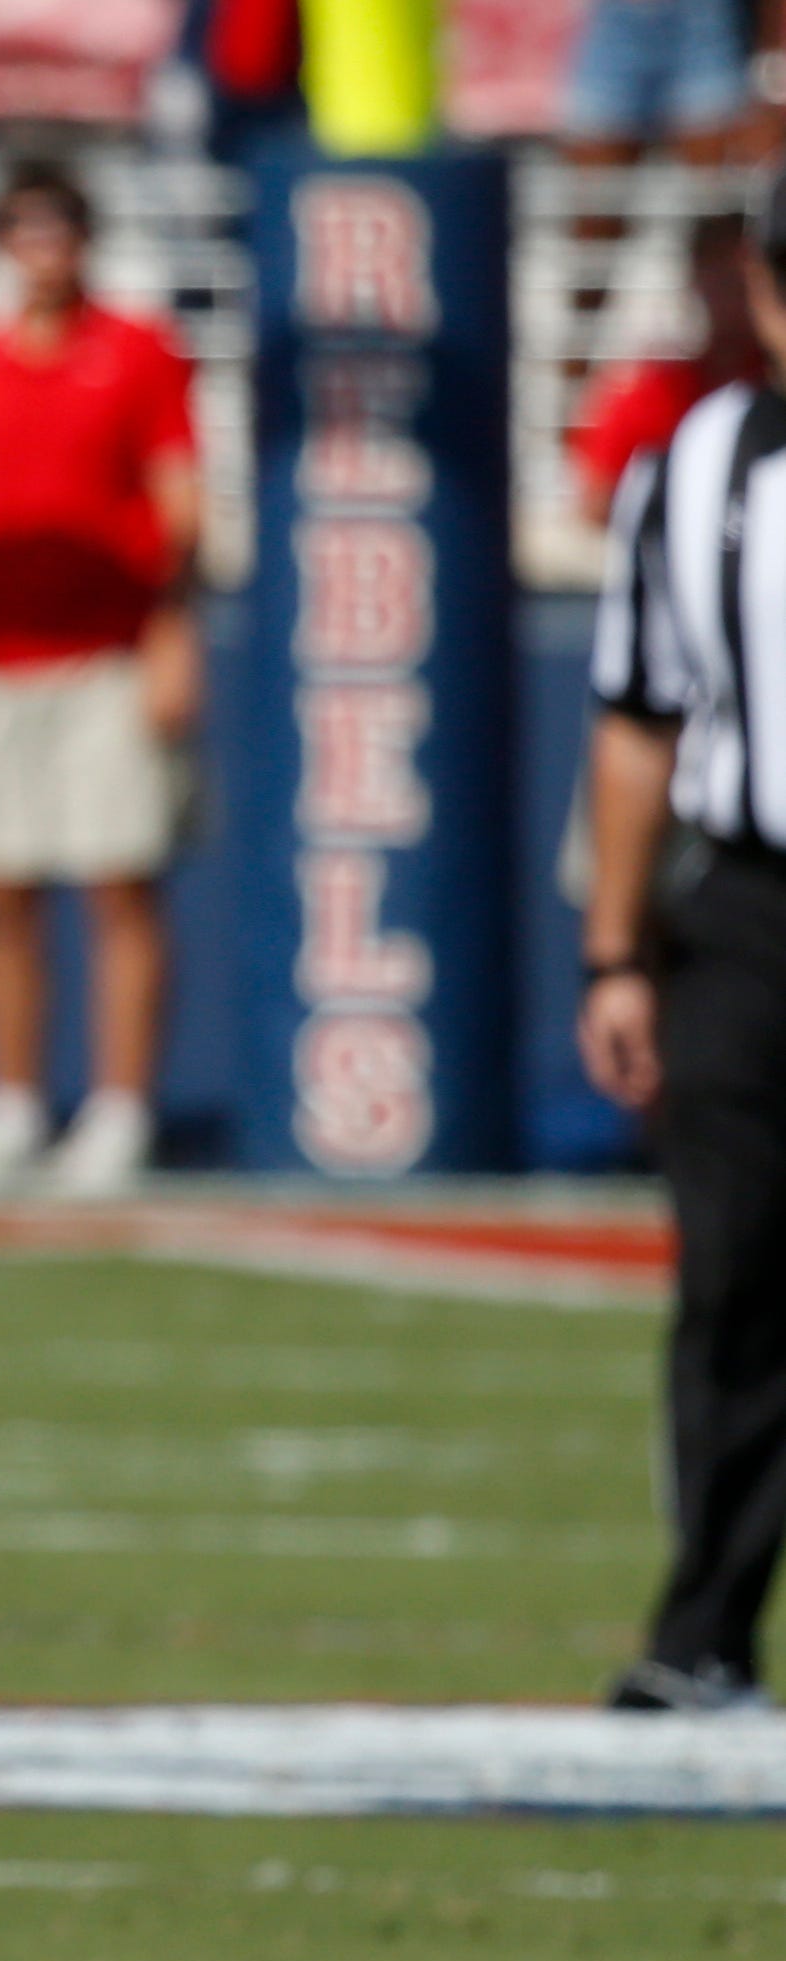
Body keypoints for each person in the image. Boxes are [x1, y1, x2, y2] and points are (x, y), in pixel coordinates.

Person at [582, 173, 786, 1715]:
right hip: (746, 911)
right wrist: (613, 952)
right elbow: (640, 722)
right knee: (730, 1276)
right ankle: (703, 1630)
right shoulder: (694, 465)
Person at [0, 157, 197, 1203]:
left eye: (59, 228)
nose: (43, 249)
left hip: (104, 655)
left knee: (119, 883)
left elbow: (180, 502)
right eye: (24, 229)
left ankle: (120, 1107)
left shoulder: (138, 354)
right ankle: (11, 1104)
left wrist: (172, 634)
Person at [575, 205, 766, 526]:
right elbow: (595, 502)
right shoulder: (647, 393)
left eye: (746, 269)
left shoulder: (772, 385)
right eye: (716, 264)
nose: (733, 284)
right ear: (694, 275)